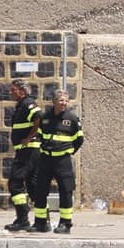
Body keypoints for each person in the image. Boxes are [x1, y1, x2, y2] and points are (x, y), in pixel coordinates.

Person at [29, 89, 85, 234]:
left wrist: (68, 151)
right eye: (61, 100)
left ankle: (65, 224)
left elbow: (79, 139)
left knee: (65, 191)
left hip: (63, 161)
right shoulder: (45, 117)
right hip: (46, 159)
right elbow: (40, 135)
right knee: (40, 191)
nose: (64, 103)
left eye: (66, 100)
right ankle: (41, 223)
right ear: (54, 102)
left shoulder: (72, 119)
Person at [3, 77, 43, 232]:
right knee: (33, 186)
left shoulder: (28, 103)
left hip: (29, 150)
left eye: (13, 90)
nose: (10, 92)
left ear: (22, 91)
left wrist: (29, 137)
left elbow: (38, 116)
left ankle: (22, 218)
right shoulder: (21, 105)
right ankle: (41, 219)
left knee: (15, 182)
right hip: (27, 150)